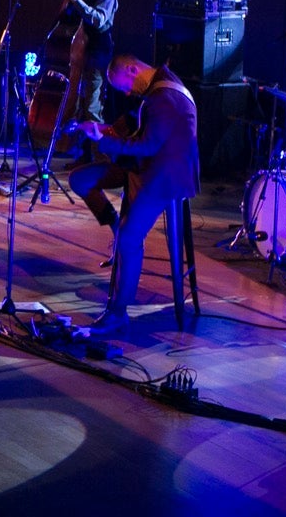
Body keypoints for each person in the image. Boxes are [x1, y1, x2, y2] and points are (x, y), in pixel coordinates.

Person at [69, 53, 198, 334]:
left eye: (125, 86)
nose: (127, 93)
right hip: (143, 168)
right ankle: (117, 228)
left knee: (130, 240)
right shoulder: (158, 87)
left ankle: (118, 312)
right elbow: (142, 131)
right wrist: (103, 130)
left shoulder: (164, 96)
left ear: (132, 69)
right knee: (81, 179)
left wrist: (105, 140)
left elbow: (149, 145)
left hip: (163, 176)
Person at [54, 0, 118, 157]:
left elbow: (99, 19)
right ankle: (83, 157)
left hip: (97, 56)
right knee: (80, 109)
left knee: (92, 108)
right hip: (81, 57)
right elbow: (65, 20)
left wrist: (76, 1)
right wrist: (68, 1)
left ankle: (99, 159)